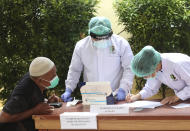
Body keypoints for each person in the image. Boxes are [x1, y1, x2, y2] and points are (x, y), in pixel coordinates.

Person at [61, 16, 134, 102]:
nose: (101, 40)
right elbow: (75, 70)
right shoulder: (81, 46)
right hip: (92, 97)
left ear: (110, 33)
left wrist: (123, 88)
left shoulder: (121, 44)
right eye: (97, 38)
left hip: (116, 95)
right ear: (90, 34)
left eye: (104, 37)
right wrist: (69, 89)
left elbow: (129, 68)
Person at [0, 57, 61, 131]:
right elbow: (3, 117)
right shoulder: (24, 90)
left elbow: (31, 102)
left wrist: (48, 102)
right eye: (53, 76)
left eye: (55, 73)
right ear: (40, 80)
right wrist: (35, 111)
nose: (56, 77)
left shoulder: (37, 76)